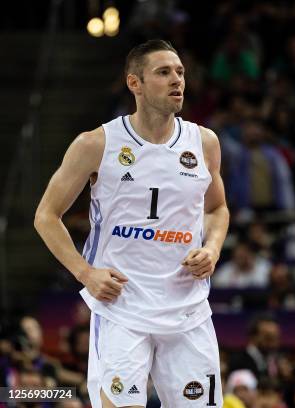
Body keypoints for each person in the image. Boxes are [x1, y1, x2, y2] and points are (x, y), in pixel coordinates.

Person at [34, 39, 229, 407]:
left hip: (187, 310)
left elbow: (217, 209)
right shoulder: (96, 144)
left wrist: (213, 248)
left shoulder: (204, 142)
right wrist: (85, 273)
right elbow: (46, 215)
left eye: (180, 72)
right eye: (164, 72)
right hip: (122, 309)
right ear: (134, 83)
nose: (177, 80)